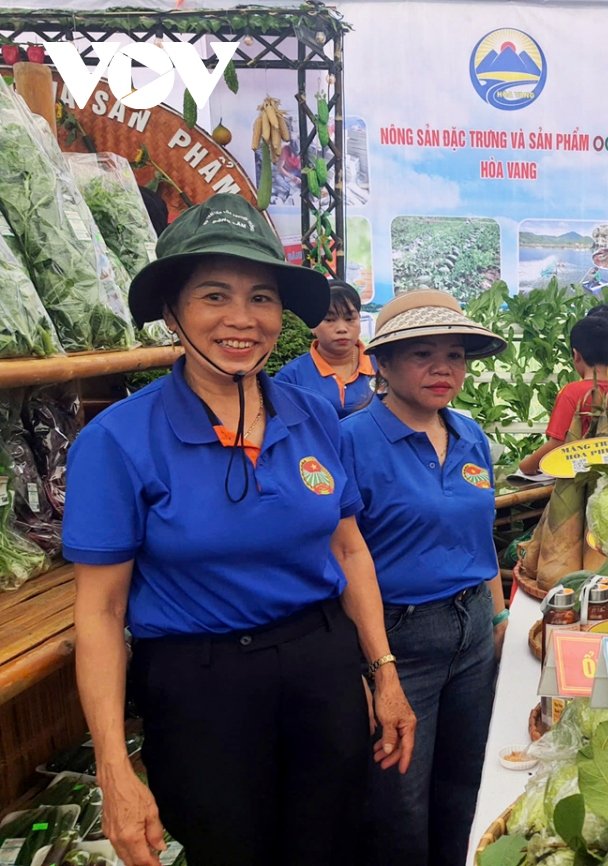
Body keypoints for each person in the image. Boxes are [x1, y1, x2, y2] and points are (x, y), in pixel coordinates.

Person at [63, 194, 416, 866]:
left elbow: (349, 551)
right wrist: (113, 764)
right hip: (201, 686)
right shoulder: (119, 440)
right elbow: (102, 612)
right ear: (173, 312)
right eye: (214, 296)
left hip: (321, 665)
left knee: (331, 845)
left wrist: (385, 672)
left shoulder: (314, 418)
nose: (241, 319)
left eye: (261, 297)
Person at [340, 290, 509, 866]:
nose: (444, 369)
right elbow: (339, 558)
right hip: (398, 642)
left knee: (467, 782)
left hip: (473, 632)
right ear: (381, 365)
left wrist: (501, 615)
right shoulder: (350, 442)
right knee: (399, 799)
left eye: (456, 355)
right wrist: (371, 669)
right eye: (422, 354)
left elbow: (481, 535)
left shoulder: (469, 434)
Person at [518, 315, 608, 475]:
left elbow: (557, 444)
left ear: (576, 354)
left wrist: (526, 466)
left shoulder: (571, 393)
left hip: (573, 481)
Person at [275, 279, 376, 417]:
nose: (342, 329)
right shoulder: (290, 378)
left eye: (349, 318)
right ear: (312, 325)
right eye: (329, 319)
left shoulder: (383, 366)